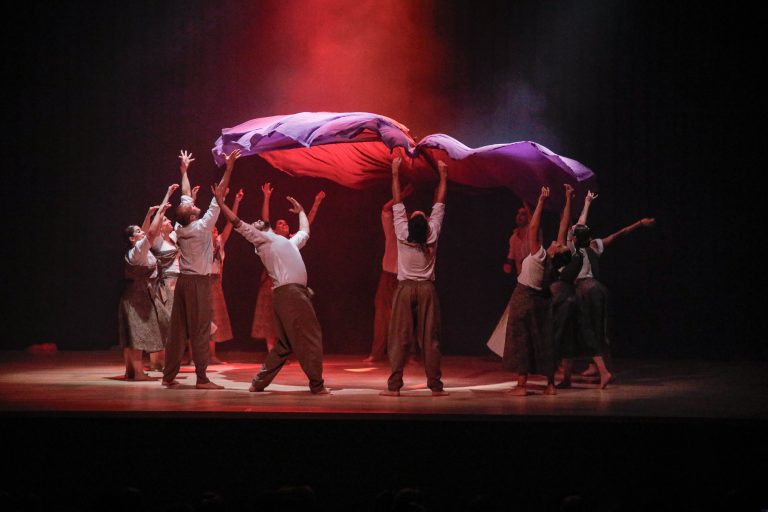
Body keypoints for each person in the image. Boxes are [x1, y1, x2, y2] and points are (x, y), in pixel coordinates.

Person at [215, 179, 328, 394]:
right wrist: (222, 204)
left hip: (291, 294)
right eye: (256, 222)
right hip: (291, 294)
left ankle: (258, 382)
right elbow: (237, 223)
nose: (257, 221)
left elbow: (305, 230)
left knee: (284, 344)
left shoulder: (288, 242)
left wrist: (301, 211)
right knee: (310, 336)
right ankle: (317, 385)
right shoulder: (263, 240)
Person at [161, 149, 238, 390]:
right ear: (193, 216)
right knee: (201, 328)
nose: (194, 205)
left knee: (178, 329)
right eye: (193, 207)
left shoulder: (181, 225)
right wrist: (229, 168)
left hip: (184, 281)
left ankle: (168, 375)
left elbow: (185, 194)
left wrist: (184, 171)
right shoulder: (202, 227)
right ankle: (202, 378)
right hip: (197, 282)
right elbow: (219, 194)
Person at [560, 201, 655, 387]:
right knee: (600, 331)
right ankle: (602, 370)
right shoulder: (594, 245)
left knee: (580, 330)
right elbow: (619, 234)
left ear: (574, 238)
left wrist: (569, 200)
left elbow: (567, 224)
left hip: (584, 289)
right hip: (599, 288)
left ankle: (596, 372)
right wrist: (639, 223)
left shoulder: (572, 249)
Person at [380, 156, 448, 397]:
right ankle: (435, 386)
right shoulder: (432, 233)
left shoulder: (402, 232)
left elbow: (397, 201)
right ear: (427, 223)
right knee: (430, 338)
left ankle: (395, 386)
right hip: (427, 289)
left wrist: (395, 173)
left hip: (406, 288)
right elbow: (440, 203)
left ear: (409, 223)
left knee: (399, 336)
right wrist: (443, 176)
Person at [503, 185, 571, 396]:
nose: (556, 241)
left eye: (558, 244)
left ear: (555, 251)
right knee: (544, 340)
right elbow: (564, 226)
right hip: (543, 301)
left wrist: (541, 201)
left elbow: (533, 228)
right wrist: (568, 198)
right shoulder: (558, 264)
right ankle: (550, 385)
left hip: (524, 297)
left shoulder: (541, 255)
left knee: (521, 339)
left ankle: (521, 386)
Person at [250, 182, 325, 352]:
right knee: (270, 319)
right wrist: (266, 197)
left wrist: (316, 203)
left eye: (285, 223)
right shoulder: (270, 241)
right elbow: (265, 220)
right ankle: (272, 352)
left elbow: (306, 225)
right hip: (271, 284)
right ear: (275, 230)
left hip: (289, 286)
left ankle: (284, 350)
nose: (284, 225)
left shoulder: (292, 242)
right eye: (280, 224)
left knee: (288, 318)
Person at [118, 184, 177, 380]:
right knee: (137, 335)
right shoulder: (137, 252)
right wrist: (163, 207)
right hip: (138, 297)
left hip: (139, 295)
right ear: (132, 238)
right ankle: (138, 373)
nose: (142, 232)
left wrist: (151, 213)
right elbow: (150, 233)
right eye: (137, 232)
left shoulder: (139, 250)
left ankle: (131, 372)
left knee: (134, 334)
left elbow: (147, 231)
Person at [364, 183, 414, 363]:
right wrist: (402, 195)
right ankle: (376, 353)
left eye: (407, 218)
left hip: (404, 279)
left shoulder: (416, 238)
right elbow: (386, 209)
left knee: (405, 316)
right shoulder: (391, 231)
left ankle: (408, 354)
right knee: (381, 315)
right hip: (387, 276)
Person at [207, 187, 243, 364]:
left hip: (216, 283)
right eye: (211, 229)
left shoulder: (220, 242)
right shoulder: (203, 245)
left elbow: (231, 222)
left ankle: (211, 355)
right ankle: (197, 356)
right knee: (203, 318)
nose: (215, 231)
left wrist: (236, 201)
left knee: (214, 319)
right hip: (205, 282)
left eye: (216, 229)